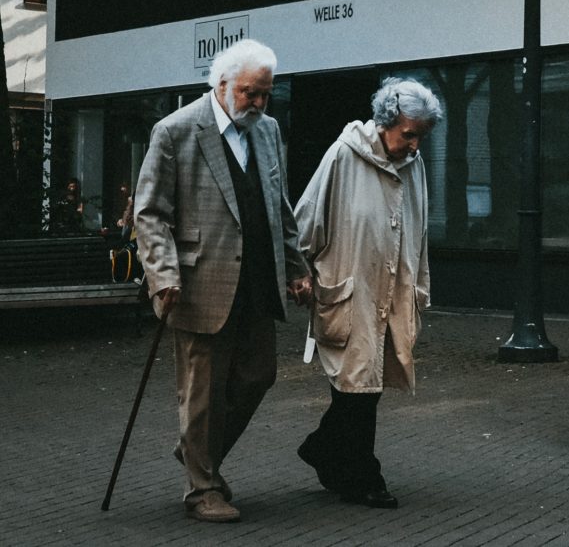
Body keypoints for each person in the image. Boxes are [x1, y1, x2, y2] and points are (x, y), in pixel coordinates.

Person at [133, 39, 312, 523]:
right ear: (223, 83)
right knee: (203, 393)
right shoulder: (176, 131)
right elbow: (150, 213)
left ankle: (196, 451)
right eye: (251, 92)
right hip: (197, 283)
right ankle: (202, 489)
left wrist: (296, 269)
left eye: (266, 94)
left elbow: (279, 206)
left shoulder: (267, 129)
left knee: (258, 375)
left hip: (257, 279)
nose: (258, 102)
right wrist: (162, 274)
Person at [293, 77, 441, 509]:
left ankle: (324, 450)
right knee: (357, 382)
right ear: (386, 122)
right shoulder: (344, 154)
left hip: (393, 289)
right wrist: (299, 270)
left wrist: (420, 284)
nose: (414, 145)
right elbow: (307, 215)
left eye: (421, 136)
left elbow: (420, 228)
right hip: (350, 284)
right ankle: (363, 476)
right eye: (408, 134)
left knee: (367, 383)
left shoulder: (414, 165)